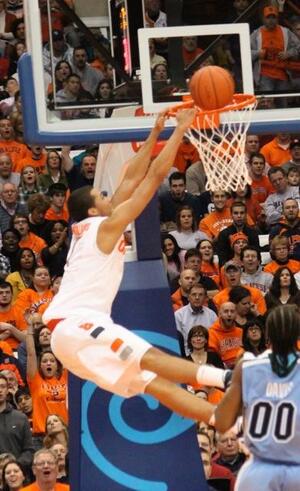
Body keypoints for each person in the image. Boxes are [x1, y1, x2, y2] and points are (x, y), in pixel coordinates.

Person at [42, 110, 229, 422]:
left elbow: (130, 177)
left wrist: (155, 134)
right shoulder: (106, 226)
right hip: (75, 326)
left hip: (71, 339)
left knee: (155, 385)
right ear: (93, 208)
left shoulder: (93, 227)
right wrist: (179, 130)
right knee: (152, 359)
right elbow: (153, 177)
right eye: (101, 195)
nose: (107, 194)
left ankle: (224, 421)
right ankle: (228, 379)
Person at [214, 304, 300, 491]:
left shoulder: (247, 367)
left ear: (267, 334)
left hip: (259, 470)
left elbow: (221, 422)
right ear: (297, 335)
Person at [0, 374, 34, 471]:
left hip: (16, 475)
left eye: (3, 387)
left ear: (7, 390)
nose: (0, 390)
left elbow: (29, 451)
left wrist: (15, 465)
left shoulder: (20, 418)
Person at [175, 284, 217, 356]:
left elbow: (215, 338)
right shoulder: (179, 315)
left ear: (205, 298)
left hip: (208, 355)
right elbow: (178, 341)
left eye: (200, 295)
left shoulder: (211, 315)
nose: (197, 297)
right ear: (188, 297)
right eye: (194, 294)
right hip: (187, 356)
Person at [215, 201, 259, 266]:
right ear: (231, 215)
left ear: (246, 214)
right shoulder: (223, 234)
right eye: (236, 213)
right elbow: (222, 259)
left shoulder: (252, 233)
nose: (239, 216)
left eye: (242, 213)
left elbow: (257, 256)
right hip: (230, 270)